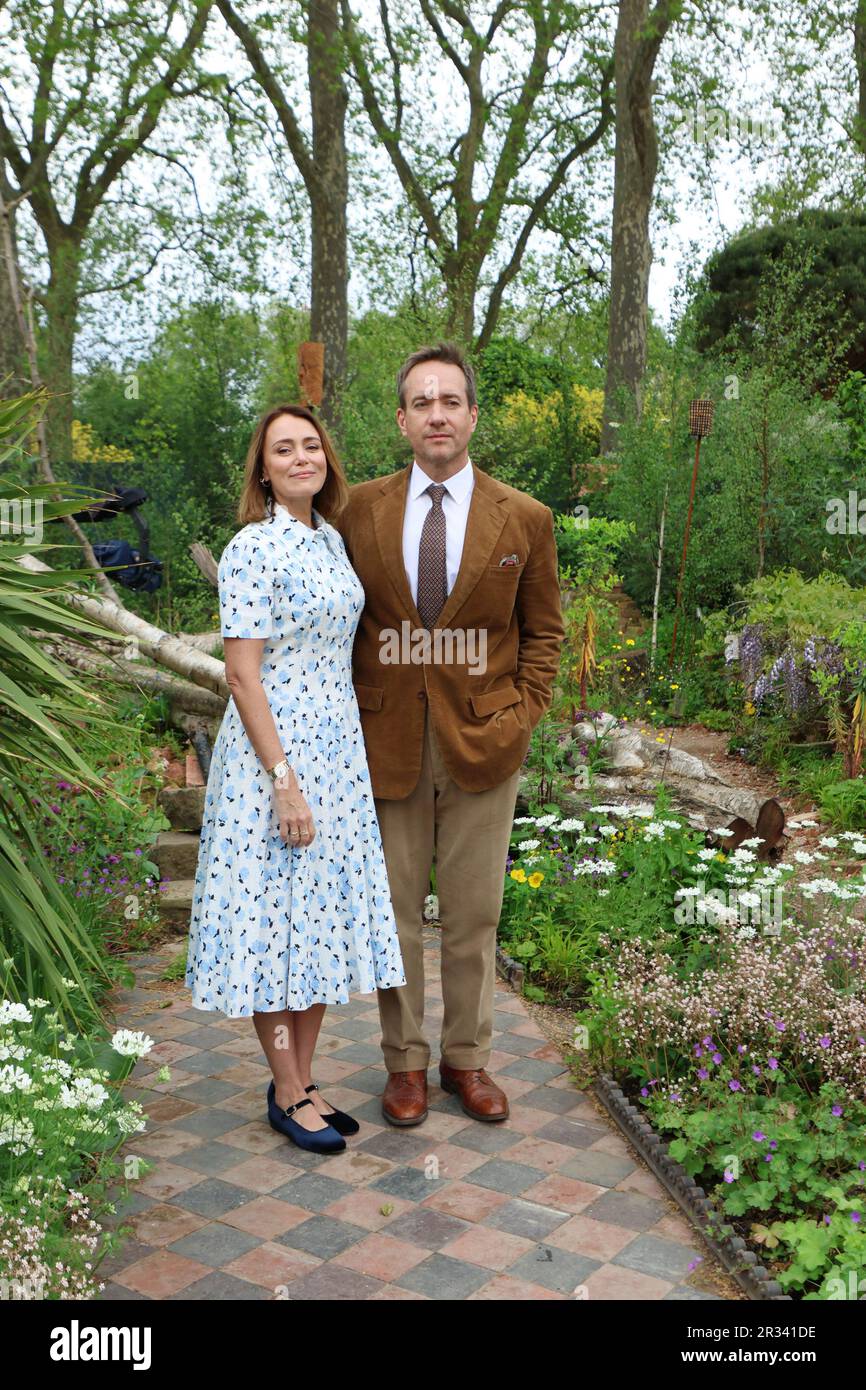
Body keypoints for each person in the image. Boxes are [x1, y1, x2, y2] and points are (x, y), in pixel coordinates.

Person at [331, 342, 564, 1126]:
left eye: (450, 401)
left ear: (471, 415)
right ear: (402, 419)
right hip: (384, 739)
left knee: (473, 914)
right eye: (421, 402)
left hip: (483, 743)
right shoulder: (356, 509)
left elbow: (545, 633)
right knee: (394, 913)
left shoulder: (525, 517)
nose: (437, 413)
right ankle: (404, 1065)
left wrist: (521, 713)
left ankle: (467, 1060)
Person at [185, 404, 407, 1153]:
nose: (301, 457)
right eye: (284, 448)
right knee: (269, 925)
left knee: (312, 924)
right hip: (272, 759)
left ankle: (302, 1083)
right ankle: (284, 1089)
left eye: (311, 445)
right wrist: (283, 779)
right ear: (263, 468)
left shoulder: (333, 540)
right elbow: (243, 677)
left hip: (336, 755)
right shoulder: (252, 547)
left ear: (326, 459)